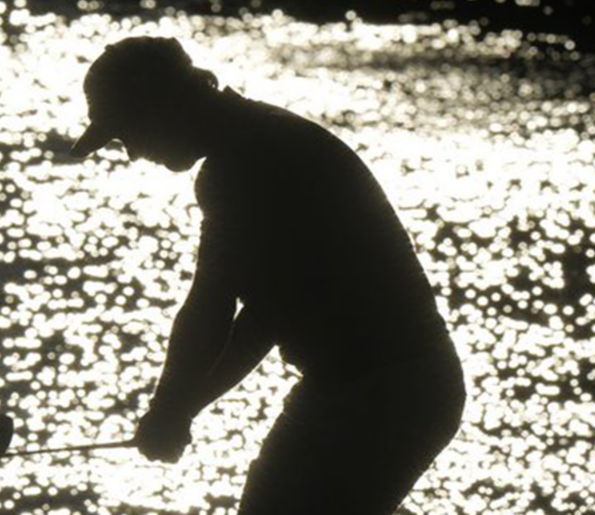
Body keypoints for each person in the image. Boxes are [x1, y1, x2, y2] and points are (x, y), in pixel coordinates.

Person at [71, 36, 466, 515]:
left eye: (127, 131)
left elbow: (210, 306)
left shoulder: (244, 164)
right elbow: (262, 320)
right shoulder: (255, 138)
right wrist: (180, 409)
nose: (132, 152)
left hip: (386, 389)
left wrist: (169, 409)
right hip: (371, 385)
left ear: (163, 106)